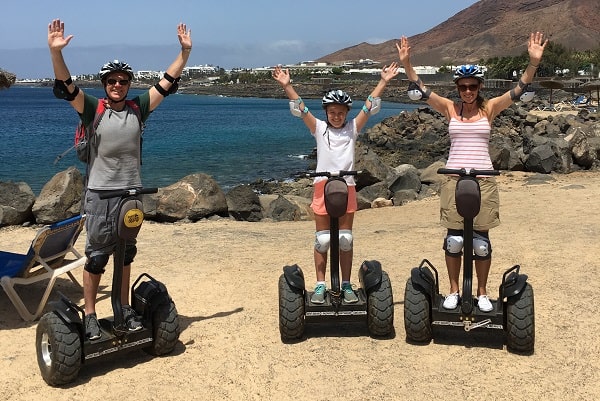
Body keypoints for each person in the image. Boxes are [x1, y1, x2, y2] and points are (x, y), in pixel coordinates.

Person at [47, 19, 192, 339]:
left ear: (128, 84)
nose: (117, 84)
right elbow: (67, 83)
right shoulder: (92, 109)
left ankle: (124, 308)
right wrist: (55, 53)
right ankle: (90, 314)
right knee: (97, 257)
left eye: (123, 80)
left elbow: (167, 82)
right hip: (100, 196)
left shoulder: (138, 108)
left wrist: (184, 52)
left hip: (131, 196)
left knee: (126, 253)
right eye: (112, 80)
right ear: (104, 83)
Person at [397, 32, 547, 312]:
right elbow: (422, 88)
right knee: (454, 240)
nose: (468, 91)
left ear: (479, 87)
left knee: (481, 243)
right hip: (454, 179)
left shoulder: (489, 108)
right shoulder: (449, 108)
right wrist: (407, 64)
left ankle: (481, 292)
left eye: (472, 86)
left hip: (484, 181)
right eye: (463, 86)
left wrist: (533, 62)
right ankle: (453, 290)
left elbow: (518, 89)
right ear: (458, 88)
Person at [272, 63, 400, 304]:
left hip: (347, 187)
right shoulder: (319, 129)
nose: (337, 116)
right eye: (332, 112)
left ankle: (346, 284)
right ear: (327, 112)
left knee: (345, 239)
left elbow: (368, 107)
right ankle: (320, 285)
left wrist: (383, 82)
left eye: (341, 112)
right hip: (323, 186)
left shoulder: (353, 128)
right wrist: (287, 86)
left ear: (346, 113)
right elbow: (302, 109)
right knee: (322, 239)